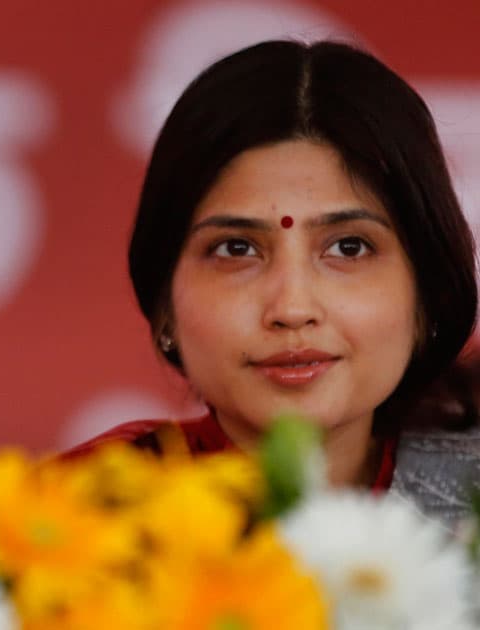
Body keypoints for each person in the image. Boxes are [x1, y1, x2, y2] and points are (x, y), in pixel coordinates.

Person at [68, 40, 480, 526]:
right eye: (236, 249)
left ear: (427, 293)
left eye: (348, 247)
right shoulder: (77, 523)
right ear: (164, 306)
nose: (292, 306)